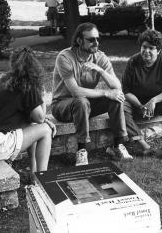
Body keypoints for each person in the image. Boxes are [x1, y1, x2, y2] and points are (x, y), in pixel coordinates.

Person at [51, 22, 132, 166]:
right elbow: (76, 92)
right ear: (79, 40)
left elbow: (117, 86)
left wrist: (100, 70)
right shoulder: (65, 57)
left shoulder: (99, 57)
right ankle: (82, 150)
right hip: (62, 106)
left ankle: (118, 146)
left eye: (97, 39)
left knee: (116, 96)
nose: (96, 43)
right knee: (82, 101)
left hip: (86, 105)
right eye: (91, 40)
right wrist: (105, 93)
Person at [0, 47, 55, 173]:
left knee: (33, 124)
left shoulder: (7, 79)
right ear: (35, 66)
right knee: (46, 130)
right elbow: (40, 117)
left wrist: (41, 120)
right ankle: (43, 178)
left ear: (13, 62)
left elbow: (33, 119)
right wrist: (41, 93)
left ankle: (34, 171)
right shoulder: (27, 85)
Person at [122, 30, 162, 158]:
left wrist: (154, 100)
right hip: (137, 104)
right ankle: (143, 145)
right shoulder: (133, 62)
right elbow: (126, 91)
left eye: (151, 48)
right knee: (120, 107)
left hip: (158, 105)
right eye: (144, 47)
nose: (146, 51)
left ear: (158, 50)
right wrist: (140, 106)